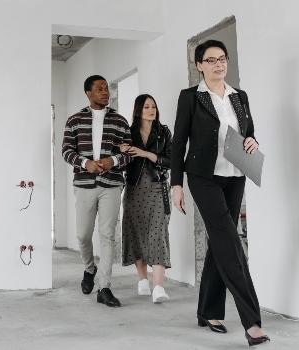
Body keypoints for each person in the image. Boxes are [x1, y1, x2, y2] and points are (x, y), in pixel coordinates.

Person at [170, 40, 270, 346]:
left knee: (220, 241)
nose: (218, 65)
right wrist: (176, 183)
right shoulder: (191, 97)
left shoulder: (239, 96)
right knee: (231, 241)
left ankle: (207, 310)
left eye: (222, 59)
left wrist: (252, 140)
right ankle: (252, 322)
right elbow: (179, 142)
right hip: (203, 176)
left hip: (236, 173)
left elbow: (247, 130)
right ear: (199, 65)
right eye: (211, 60)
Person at [62, 75, 133, 308]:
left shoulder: (120, 121)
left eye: (107, 89)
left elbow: (128, 153)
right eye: (100, 89)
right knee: (82, 235)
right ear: (88, 93)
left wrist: (113, 160)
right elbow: (66, 151)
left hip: (111, 184)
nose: (105, 92)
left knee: (107, 235)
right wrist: (85, 164)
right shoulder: (74, 120)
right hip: (83, 184)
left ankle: (104, 287)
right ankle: (89, 269)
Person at [119, 94, 173, 304]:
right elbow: (120, 163)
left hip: (158, 187)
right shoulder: (129, 133)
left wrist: (145, 153)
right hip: (134, 188)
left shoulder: (163, 132)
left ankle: (158, 286)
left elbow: (171, 160)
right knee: (136, 232)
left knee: (158, 233)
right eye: (147, 107)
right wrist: (122, 151)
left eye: (154, 106)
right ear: (138, 110)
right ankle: (143, 280)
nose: (152, 110)